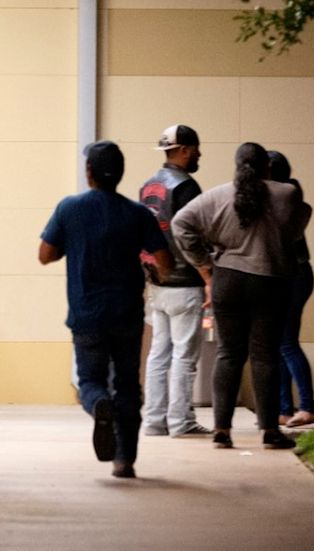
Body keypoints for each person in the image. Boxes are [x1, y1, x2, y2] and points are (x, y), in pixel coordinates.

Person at [39, 141, 173, 478]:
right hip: (127, 314)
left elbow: (44, 254)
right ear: (121, 174)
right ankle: (124, 460)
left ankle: (99, 404)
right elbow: (166, 264)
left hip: (86, 315)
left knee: (90, 381)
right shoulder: (138, 213)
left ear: (89, 173)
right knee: (128, 385)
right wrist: (153, 271)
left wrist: (69, 248)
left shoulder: (69, 208)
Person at [171, 142, 311, 450]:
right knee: (265, 356)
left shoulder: (218, 195)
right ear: (267, 167)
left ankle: (222, 429)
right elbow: (298, 226)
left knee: (228, 354)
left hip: (227, 279)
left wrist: (205, 264)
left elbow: (181, 223)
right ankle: (270, 431)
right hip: (270, 281)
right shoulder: (286, 194)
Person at [139, 124, 212, 437]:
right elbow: (190, 235)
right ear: (183, 150)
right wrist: (207, 275)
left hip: (157, 282)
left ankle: (154, 421)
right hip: (185, 283)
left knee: (158, 353)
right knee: (184, 355)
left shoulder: (147, 186)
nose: (199, 154)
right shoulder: (187, 187)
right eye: (195, 149)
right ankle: (181, 422)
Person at [268, 150, 314, 428]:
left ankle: (307, 407)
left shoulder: (286, 201)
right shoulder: (292, 197)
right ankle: (285, 409)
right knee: (280, 344)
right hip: (296, 274)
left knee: (287, 342)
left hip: (293, 275)